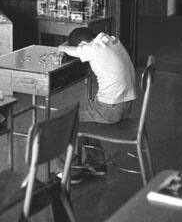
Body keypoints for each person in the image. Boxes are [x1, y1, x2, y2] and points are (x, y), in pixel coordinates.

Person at [57, 27, 137, 182]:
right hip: (124, 106)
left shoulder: (93, 49)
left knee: (61, 117)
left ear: (82, 44)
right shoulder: (112, 41)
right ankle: (97, 163)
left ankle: (69, 172)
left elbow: (64, 48)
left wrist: (62, 47)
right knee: (86, 109)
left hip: (110, 110)